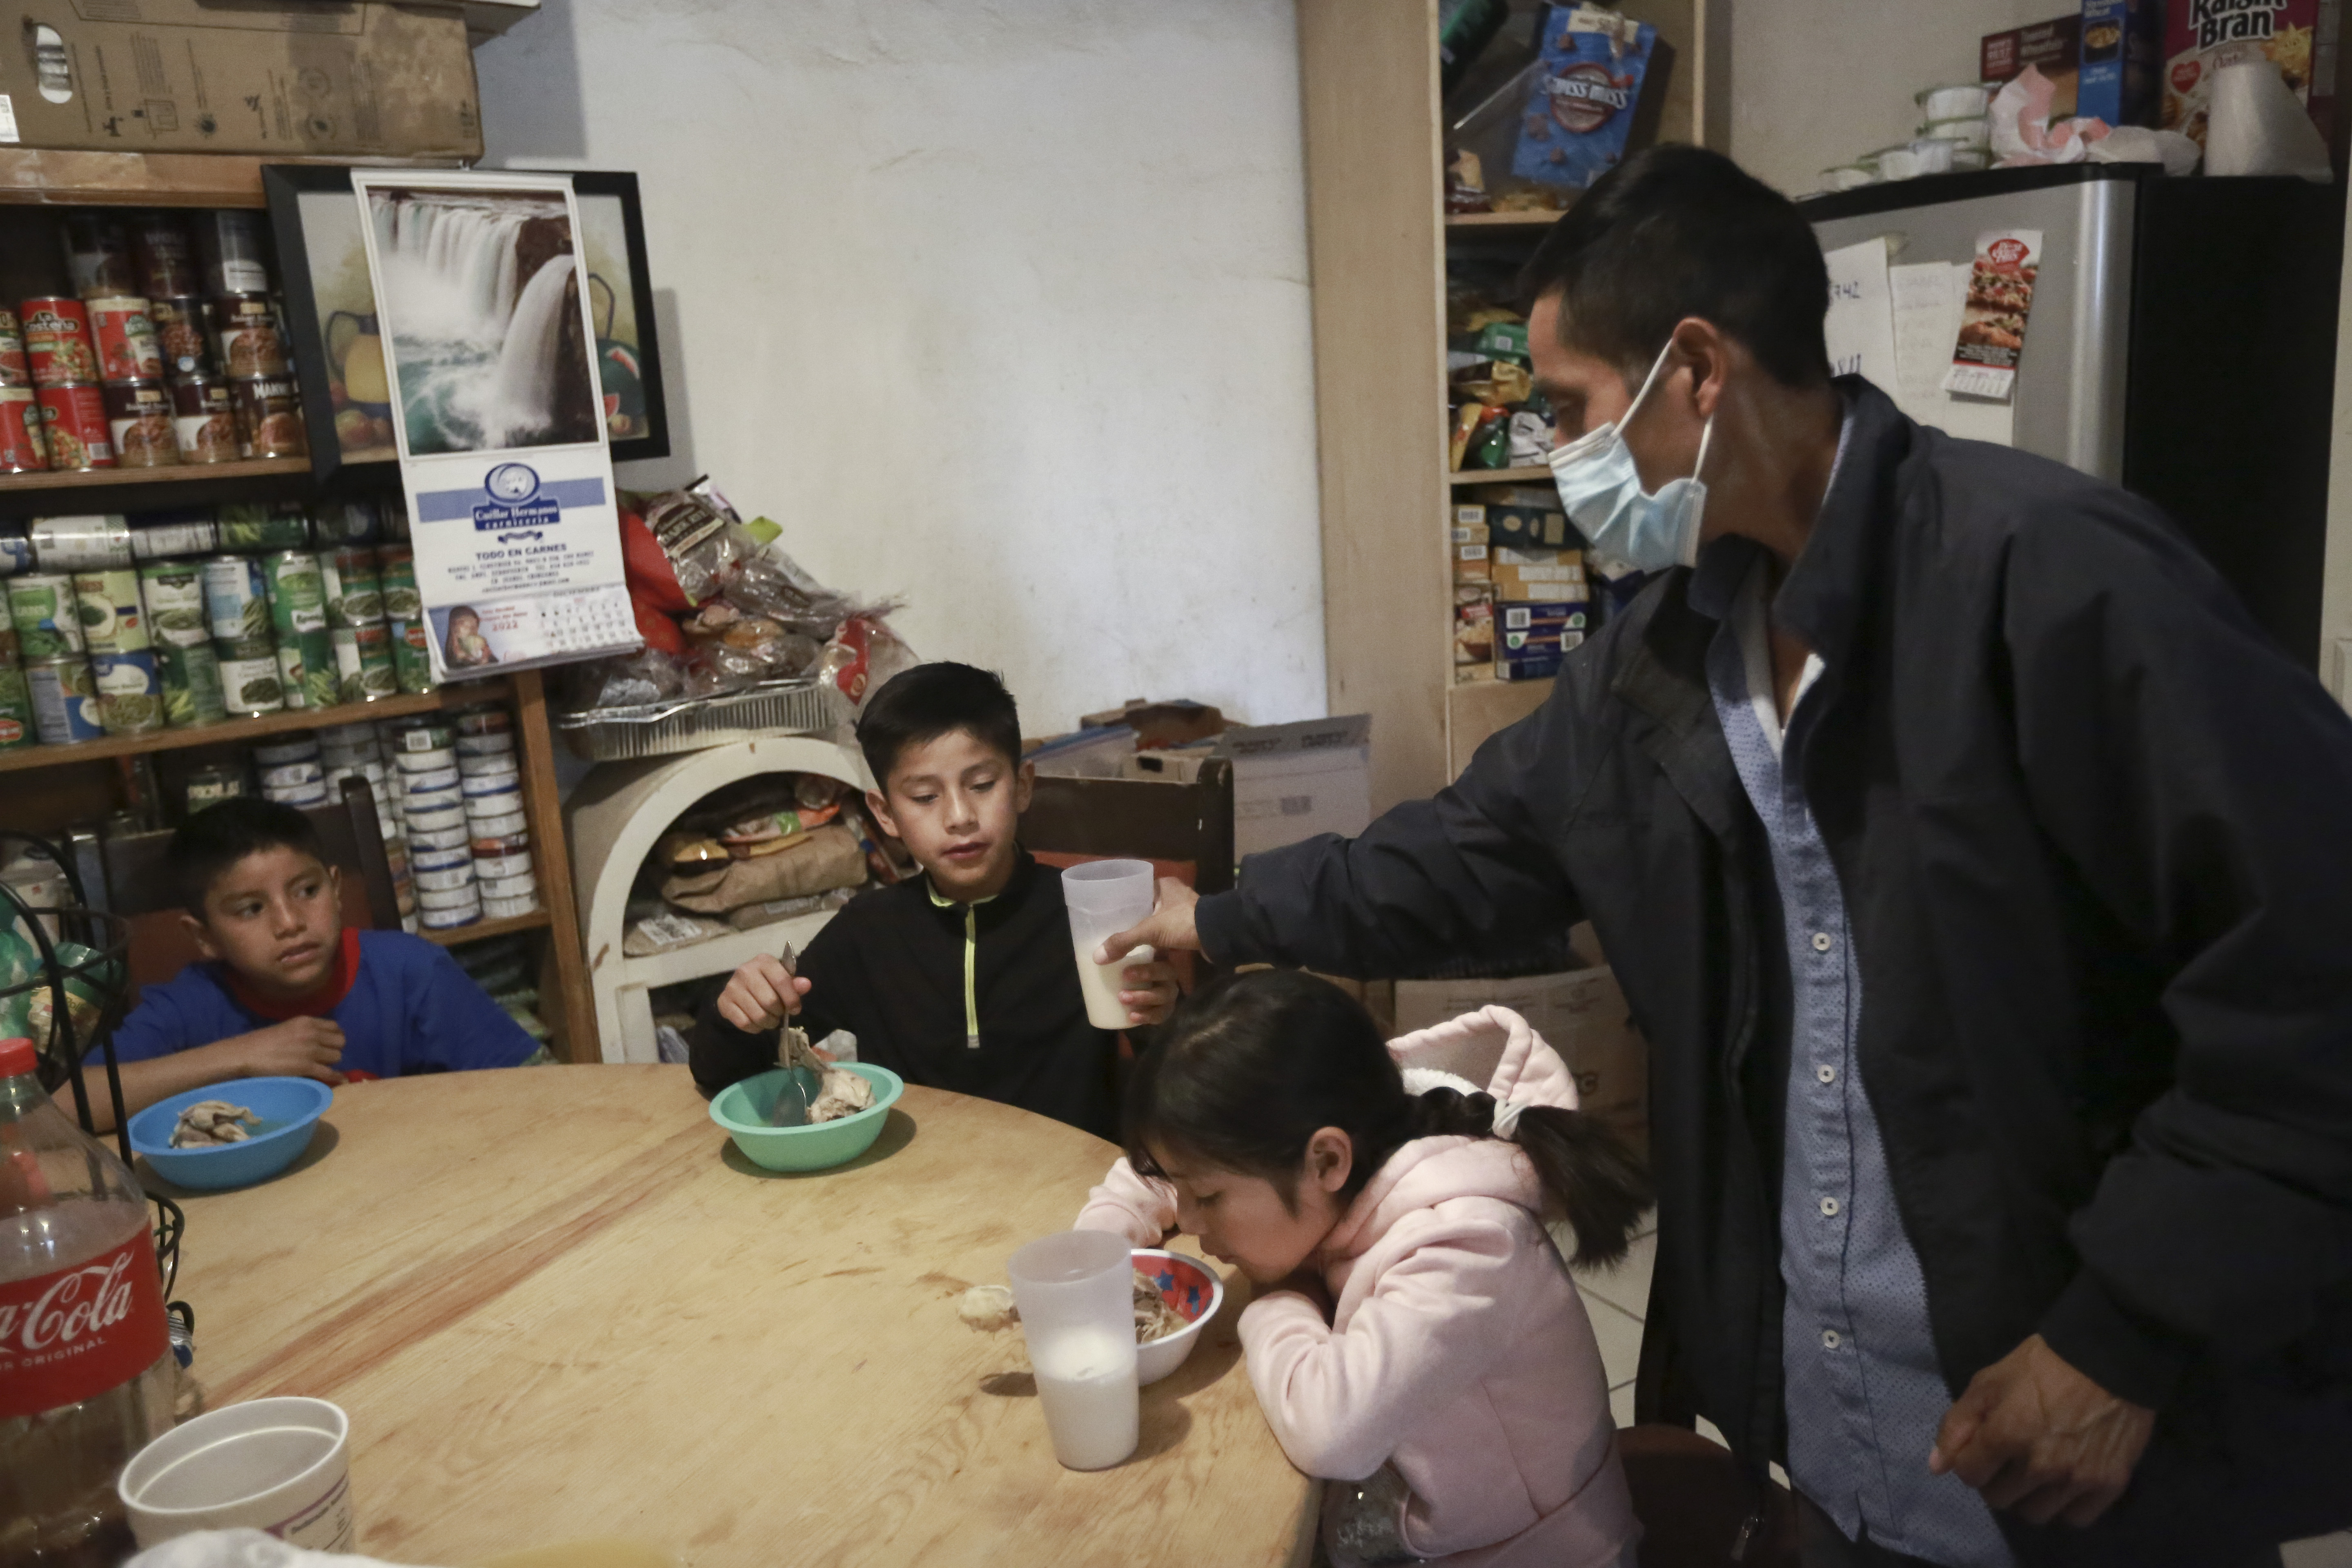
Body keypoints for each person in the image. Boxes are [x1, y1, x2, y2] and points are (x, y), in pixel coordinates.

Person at [1100, 145, 2352, 1568]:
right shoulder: (1671, 652)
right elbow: (1472, 849)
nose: (1556, 458)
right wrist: (1231, 920)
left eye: (1571, 409)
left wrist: (2124, 1335)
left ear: (1694, 369)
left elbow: (2311, 987)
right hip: (1824, 1433)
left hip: (2072, 1446)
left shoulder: (2055, 586)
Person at [1076, 970, 1650, 1567]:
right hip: (1401, 1525)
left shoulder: (1471, 1247)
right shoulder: (1355, 1121)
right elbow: (1179, 1165)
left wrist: (1280, 1292)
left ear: (1326, 1161)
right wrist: (1102, 1239)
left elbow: (1333, 1433)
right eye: (1181, 1194)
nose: (1190, 1220)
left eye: (1209, 1200)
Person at [691, 662, 1180, 1140]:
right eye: (925, 797)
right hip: (915, 1196)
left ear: (1024, 786)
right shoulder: (869, 933)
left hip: (1070, 1193)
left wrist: (1169, 1015)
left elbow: (1189, 1081)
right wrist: (739, 1011)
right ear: (884, 814)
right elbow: (723, 1075)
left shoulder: (1084, 917)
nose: (960, 816)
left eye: (983, 785)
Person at [92, 798, 544, 1128]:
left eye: (307, 892)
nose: (290, 923)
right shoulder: (190, 1006)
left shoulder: (411, 972)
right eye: (251, 909)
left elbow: (535, 1089)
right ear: (204, 936)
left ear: (336, 889)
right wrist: (238, 1058)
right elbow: (66, 1106)